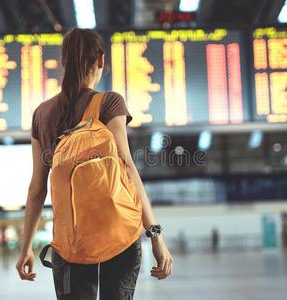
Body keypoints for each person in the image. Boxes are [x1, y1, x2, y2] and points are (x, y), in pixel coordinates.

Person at [16, 28, 173, 299]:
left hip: (70, 240)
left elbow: (37, 189)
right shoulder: (109, 102)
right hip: (120, 231)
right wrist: (155, 234)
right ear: (100, 60)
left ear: (64, 62)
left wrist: (26, 247)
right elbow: (126, 166)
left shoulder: (41, 114)